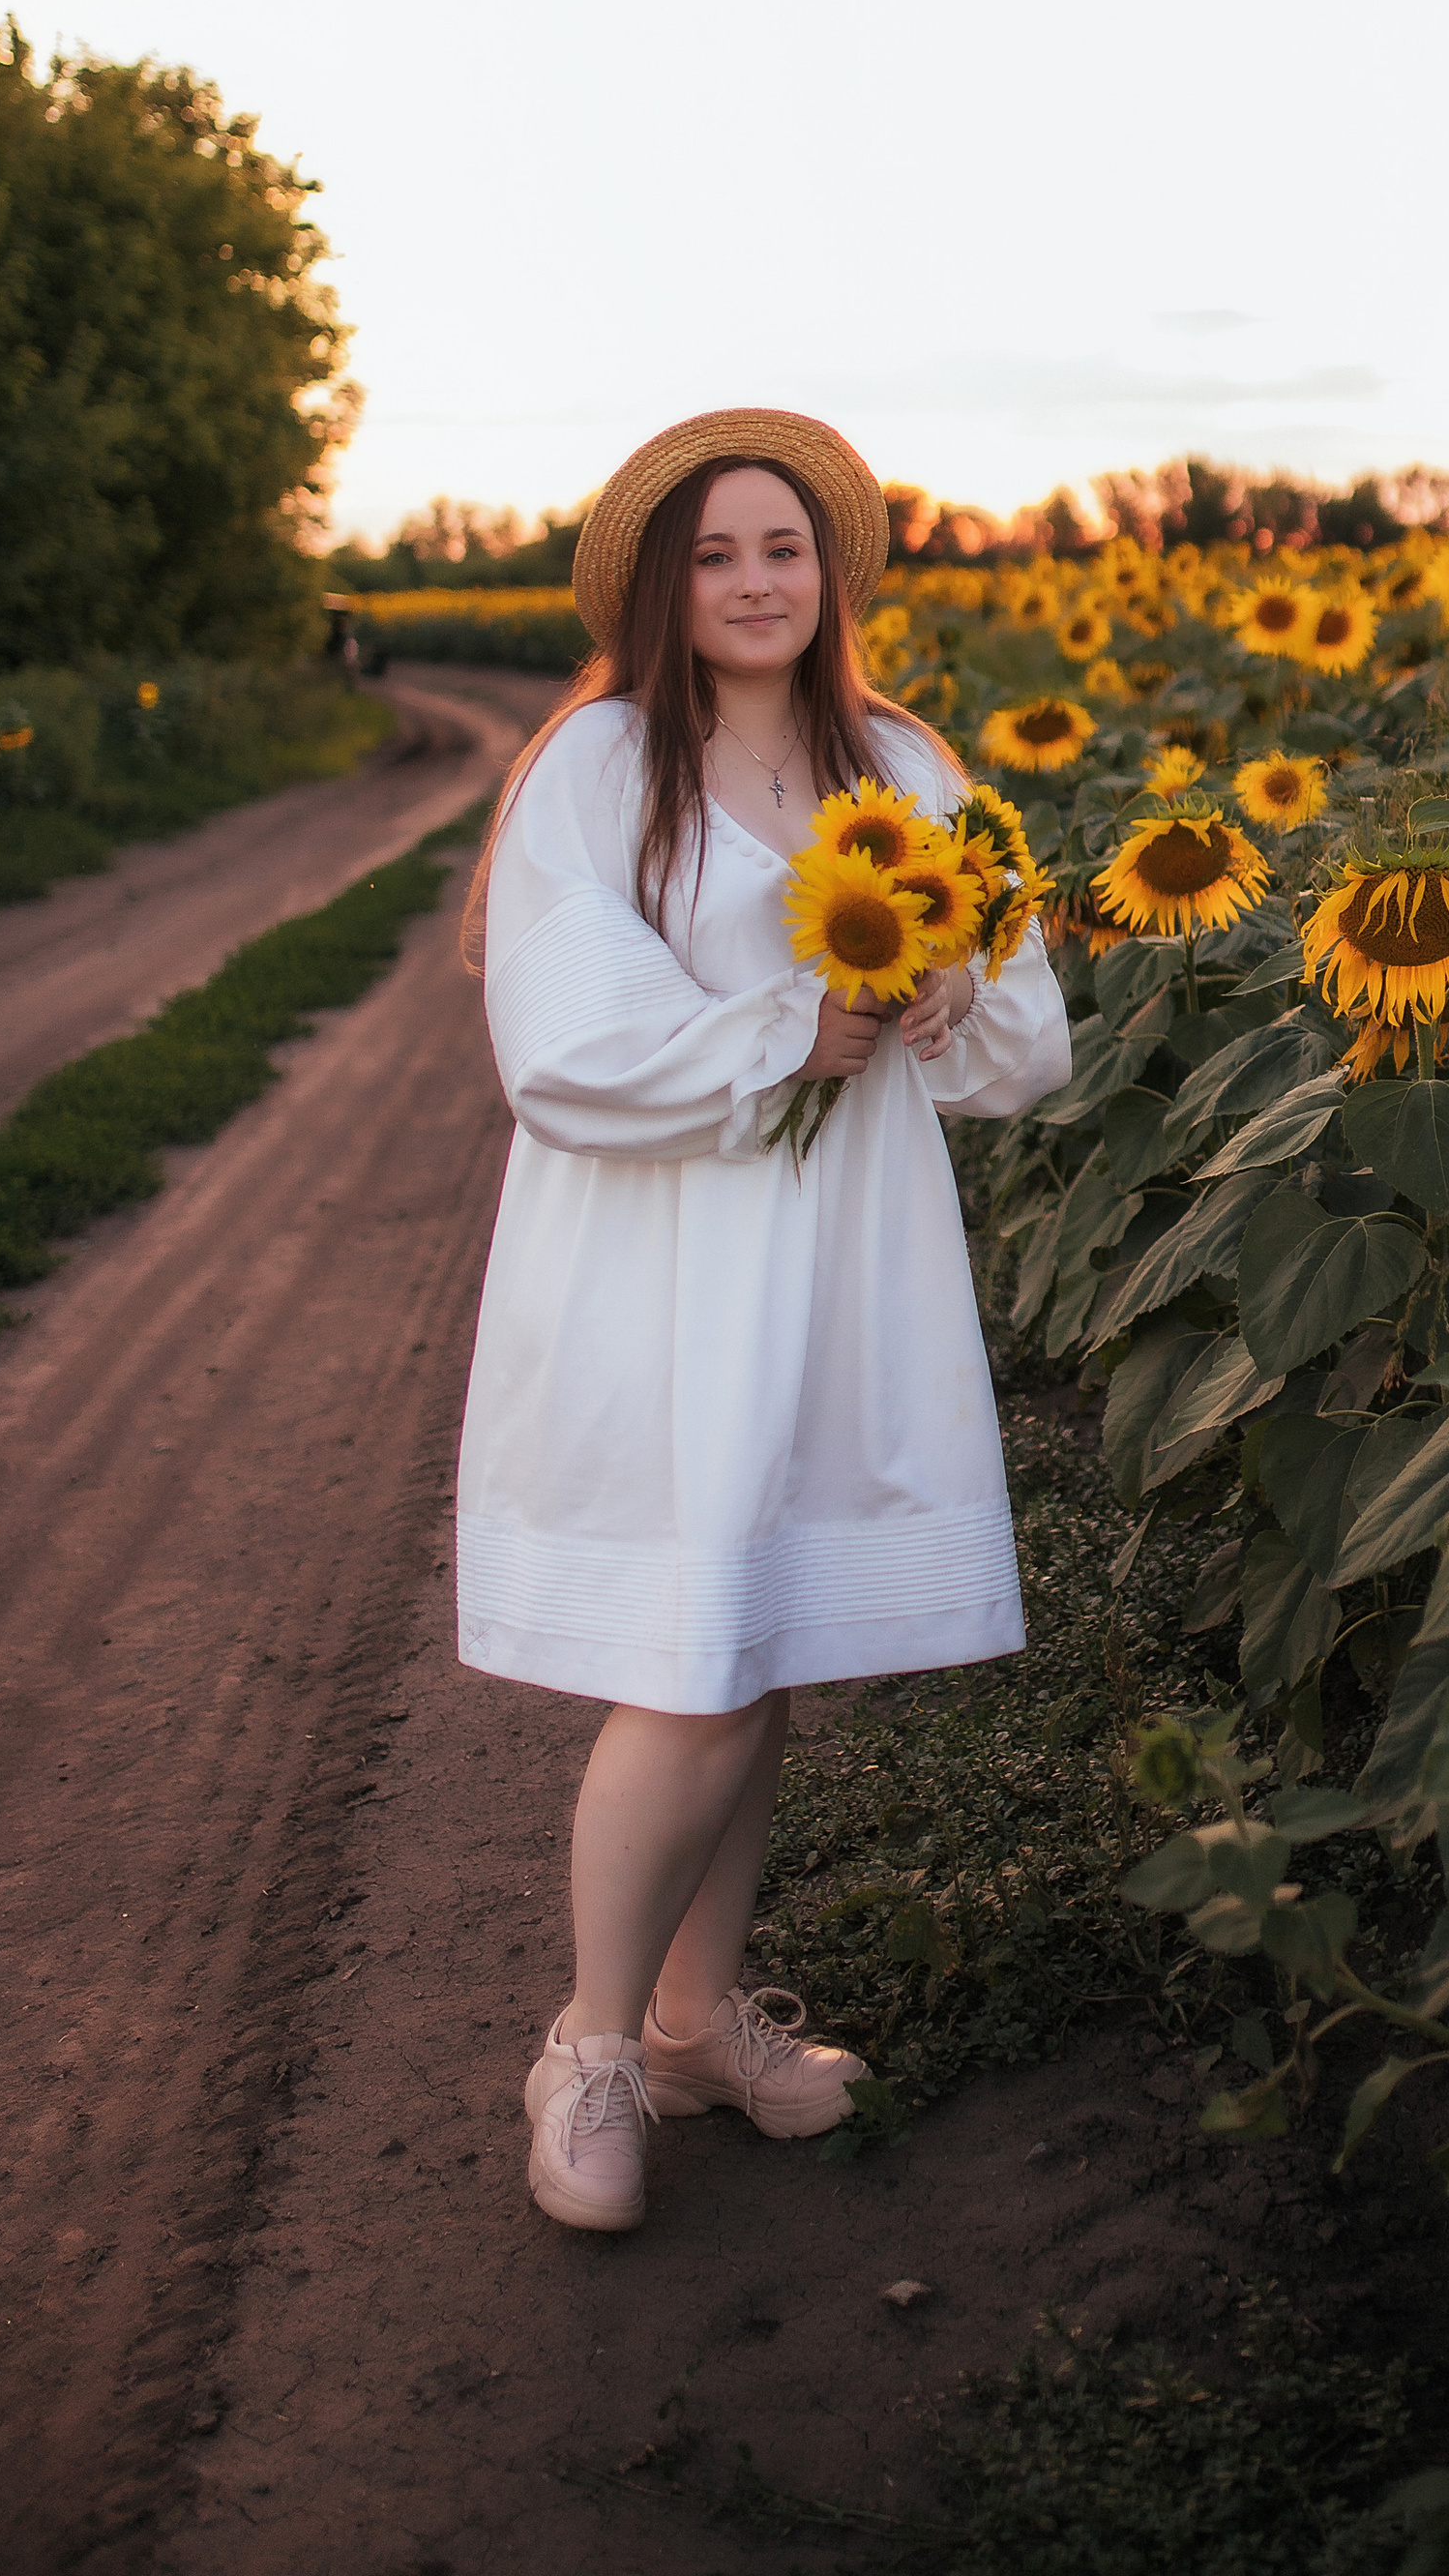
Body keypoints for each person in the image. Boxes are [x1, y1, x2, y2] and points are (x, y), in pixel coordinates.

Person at [456, 409, 1071, 2233]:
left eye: (782, 551)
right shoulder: (597, 765)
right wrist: (783, 1039)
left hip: (839, 1256)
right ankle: (588, 2046)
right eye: (715, 555)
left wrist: (951, 991)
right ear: (662, 586)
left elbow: (1025, 1037)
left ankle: (699, 2015)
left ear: (831, 578)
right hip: (662, 1269)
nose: (753, 583)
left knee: (758, 1629)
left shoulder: (902, 765)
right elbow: (562, 1047)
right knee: (693, 1661)